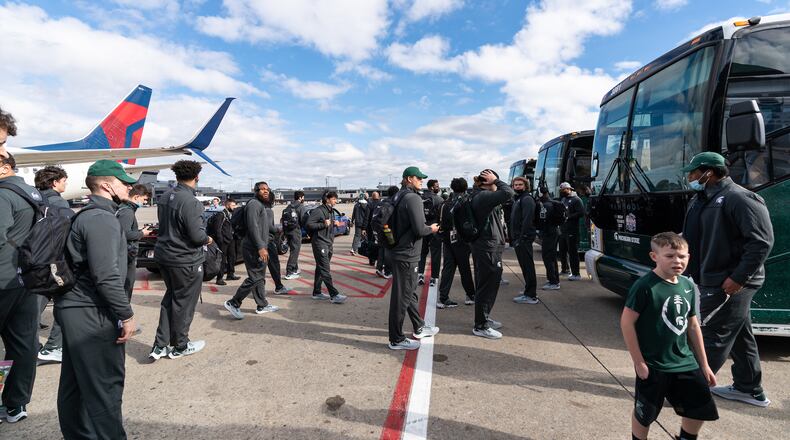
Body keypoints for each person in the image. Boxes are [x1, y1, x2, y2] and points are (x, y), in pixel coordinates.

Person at [681, 152, 774, 407]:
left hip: (730, 282)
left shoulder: (740, 198)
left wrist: (738, 278)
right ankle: (749, 388)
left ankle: (691, 392)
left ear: (709, 172)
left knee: (713, 336)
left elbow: (761, 243)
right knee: (741, 337)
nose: (689, 177)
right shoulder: (702, 198)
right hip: (712, 277)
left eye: (693, 172)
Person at [55, 160, 138, 439]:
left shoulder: (87, 214)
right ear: (106, 185)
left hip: (74, 308)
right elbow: (106, 276)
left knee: (76, 384)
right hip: (90, 312)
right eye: (123, 181)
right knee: (105, 387)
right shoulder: (102, 219)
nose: (129, 186)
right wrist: (126, 315)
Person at [621, 232, 718, 440]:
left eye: (682, 256)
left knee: (700, 406)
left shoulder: (687, 286)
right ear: (654, 256)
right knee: (645, 412)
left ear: (689, 257)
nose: (677, 261)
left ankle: (686, 437)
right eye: (670, 256)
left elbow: (693, 325)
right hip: (654, 363)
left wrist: (704, 364)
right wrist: (638, 362)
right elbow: (627, 323)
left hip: (684, 361)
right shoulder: (645, 286)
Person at [150, 160, 211, 360]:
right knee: (184, 304)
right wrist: (208, 238)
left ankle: (160, 344)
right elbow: (197, 236)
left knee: (171, 300)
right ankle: (180, 345)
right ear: (197, 177)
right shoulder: (191, 202)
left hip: (164, 256)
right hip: (185, 260)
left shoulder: (166, 196)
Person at [0, 149, 40, 421]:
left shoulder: (3, 194)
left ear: (4, 167)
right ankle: (15, 404)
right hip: (25, 278)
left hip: (2, 280)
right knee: (23, 344)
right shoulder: (32, 193)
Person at [388, 167, 440, 350]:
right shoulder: (413, 198)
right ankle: (396, 338)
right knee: (401, 297)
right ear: (409, 178)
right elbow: (420, 229)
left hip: (397, 250)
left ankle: (418, 326)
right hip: (407, 254)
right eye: (419, 178)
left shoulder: (398, 195)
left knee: (408, 292)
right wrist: (432, 229)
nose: (421, 181)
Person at [224, 182, 281, 319]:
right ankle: (234, 302)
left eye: (267, 189)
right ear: (255, 191)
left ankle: (262, 304)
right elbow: (252, 226)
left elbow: (262, 227)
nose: (265, 191)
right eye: (262, 189)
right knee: (256, 277)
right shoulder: (254, 204)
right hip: (254, 247)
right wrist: (261, 247)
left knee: (259, 277)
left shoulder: (259, 205)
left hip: (258, 245)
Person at [470, 170, 515, 339]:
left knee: (486, 284)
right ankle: (481, 325)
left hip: (486, 246)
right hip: (487, 247)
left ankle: (484, 318)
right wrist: (497, 180)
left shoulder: (481, 196)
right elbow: (508, 192)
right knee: (487, 286)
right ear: (489, 182)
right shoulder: (483, 196)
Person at [34, 166, 73, 364]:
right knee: (64, 304)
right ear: (55, 182)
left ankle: (30, 347)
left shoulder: (32, 199)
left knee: (33, 309)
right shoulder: (59, 203)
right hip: (54, 263)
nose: (66, 183)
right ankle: (53, 347)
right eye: (64, 180)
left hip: (33, 262)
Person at [436, 178, 475, 309]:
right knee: (465, 269)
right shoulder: (466, 201)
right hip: (462, 240)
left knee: (448, 268)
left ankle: (443, 297)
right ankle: (470, 295)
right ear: (465, 188)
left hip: (447, 239)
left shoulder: (445, 203)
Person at [305, 191, 348, 304]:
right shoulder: (319, 211)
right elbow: (309, 224)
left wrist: (334, 223)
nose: (336, 201)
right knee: (325, 269)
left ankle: (317, 292)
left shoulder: (330, 211)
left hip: (328, 243)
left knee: (321, 268)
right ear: (327, 199)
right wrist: (324, 224)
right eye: (334, 199)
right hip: (320, 243)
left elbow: (328, 222)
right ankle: (334, 295)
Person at [116, 184, 153, 300]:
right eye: (144, 199)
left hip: (125, 254)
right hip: (126, 255)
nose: (145, 202)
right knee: (126, 286)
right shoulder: (127, 212)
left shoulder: (124, 209)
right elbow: (124, 234)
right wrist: (142, 234)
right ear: (137, 197)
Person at [510, 177, 539, 305]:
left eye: (520, 184)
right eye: (515, 185)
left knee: (528, 266)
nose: (517, 187)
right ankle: (528, 290)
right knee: (525, 265)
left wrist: (521, 238)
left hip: (524, 238)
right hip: (519, 238)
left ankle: (531, 295)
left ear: (525, 186)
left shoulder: (526, 199)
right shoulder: (519, 199)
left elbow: (527, 220)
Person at [208, 198, 240, 286]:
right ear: (227, 205)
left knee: (232, 258)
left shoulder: (231, 214)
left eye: (235, 205)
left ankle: (230, 274)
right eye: (233, 205)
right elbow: (217, 229)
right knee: (222, 260)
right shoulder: (221, 214)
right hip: (223, 241)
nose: (234, 207)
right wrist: (220, 240)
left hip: (231, 239)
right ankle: (219, 278)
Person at [417, 179, 443, 287]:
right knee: (435, 254)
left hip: (422, 229)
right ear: (432, 187)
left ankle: (420, 275)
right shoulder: (439, 199)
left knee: (422, 253)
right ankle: (434, 278)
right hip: (435, 230)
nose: (438, 187)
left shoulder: (419, 198)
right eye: (437, 186)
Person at [263, 190, 289, 296]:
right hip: (268, 241)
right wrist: (278, 229)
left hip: (259, 241)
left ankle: (261, 289)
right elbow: (269, 226)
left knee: (260, 268)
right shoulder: (268, 210)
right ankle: (278, 286)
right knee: (274, 265)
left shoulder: (259, 209)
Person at [558, 182, 584, 281]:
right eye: (561, 190)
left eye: (564, 190)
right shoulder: (563, 199)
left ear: (569, 189)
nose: (562, 192)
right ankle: (565, 269)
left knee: (572, 252)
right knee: (562, 251)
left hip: (572, 229)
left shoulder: (576, 200)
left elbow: (581, 212)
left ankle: (576, 273)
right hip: (563, 229)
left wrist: (569, 217)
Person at [538, 187, 561, 290]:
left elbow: (543, 220)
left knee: (548, 257)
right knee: (552, 256)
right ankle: (553, 279)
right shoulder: (553, 203)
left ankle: (553, 281)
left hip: (549, 233)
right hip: (554, 231)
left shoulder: (545, 205)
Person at [283, 191, 307, 280]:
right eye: (303, 197)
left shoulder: (289, 206)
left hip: (288, 231)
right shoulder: (301, 206)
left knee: (293, 250)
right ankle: (289, 272)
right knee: (294, 252)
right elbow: (303, 220)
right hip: (295, 232)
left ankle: (295, 269)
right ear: (300, 197)